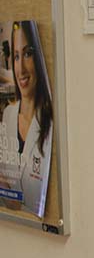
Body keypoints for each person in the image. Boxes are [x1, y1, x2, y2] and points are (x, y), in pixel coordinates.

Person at [0, 21, 53, 217]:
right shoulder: (8, 115)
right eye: (16, 56)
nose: (20, 68)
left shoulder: (49, 122)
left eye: (28, 54)